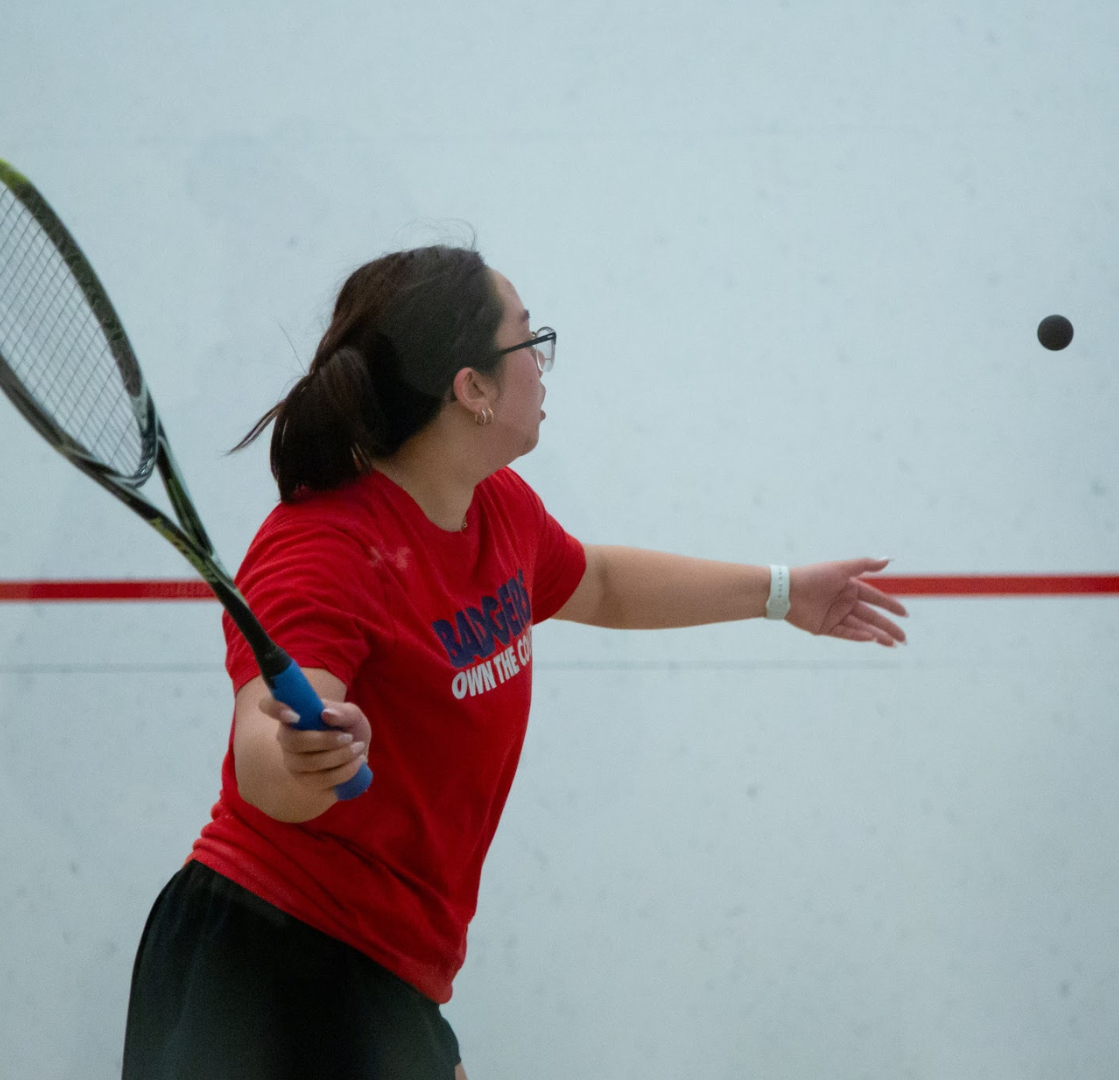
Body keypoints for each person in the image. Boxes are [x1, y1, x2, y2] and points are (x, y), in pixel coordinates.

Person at [119, 245, 909, 1080]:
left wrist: (784, 594)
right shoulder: (323, 551)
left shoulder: (494, 511)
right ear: (473, 389)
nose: (542, 364)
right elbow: (262, 756)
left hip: (381, 970)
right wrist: (306, 754)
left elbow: (598, 582)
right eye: (529, 341)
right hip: (263, 964)